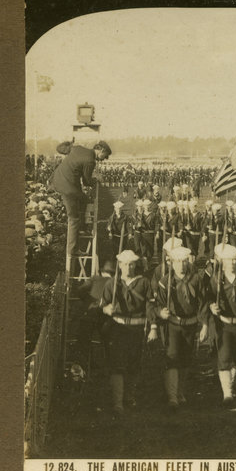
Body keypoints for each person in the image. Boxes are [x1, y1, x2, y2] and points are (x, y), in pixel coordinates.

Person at [150, 245, 207, 410]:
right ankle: (172, 396)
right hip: (173, 325)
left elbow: (203, 304)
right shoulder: (165, 282)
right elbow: (156, 304)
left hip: (191, 325)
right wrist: (161, 312)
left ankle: (180, 391)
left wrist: (204, 325)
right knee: (172, 358)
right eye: (177, 262)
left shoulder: (197, 280)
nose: (181, 265)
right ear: (171, 263)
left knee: (186, 360)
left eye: (184, 262)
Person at [100, 249, 151, 416]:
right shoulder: (112, 284)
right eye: (125, 264)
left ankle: (130, 396)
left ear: (135, 265)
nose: (128, 268)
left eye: (131, 265)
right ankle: (117, 402)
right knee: (117, 364)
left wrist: (153, 327)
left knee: (134, 364)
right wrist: (108, 309)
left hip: (137, 329)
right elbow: (102, 305)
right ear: (119, 265)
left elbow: (150, 306)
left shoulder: (144, 283)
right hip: (118, 328)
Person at [48, 141, 111, 266]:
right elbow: (87, 182)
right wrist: (95, 179)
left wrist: (70, 142)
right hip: (68, 188)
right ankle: (73, 250)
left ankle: (81, 229)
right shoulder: (91, 161)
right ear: (101, 151)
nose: (103, 160)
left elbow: (59, 148)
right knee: (74, 219)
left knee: (83, 199)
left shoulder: (78, 148)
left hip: (57, 179)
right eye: (105, 156)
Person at [206, 243, 236, 407]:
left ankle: (230, 386)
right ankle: (227, 394)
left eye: (234, 260)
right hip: (224, 324)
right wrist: (212, 306)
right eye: (228, 260)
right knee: (224, 357)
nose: (232, 263)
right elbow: (209, 298)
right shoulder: (216, 279)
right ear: (223, 262)